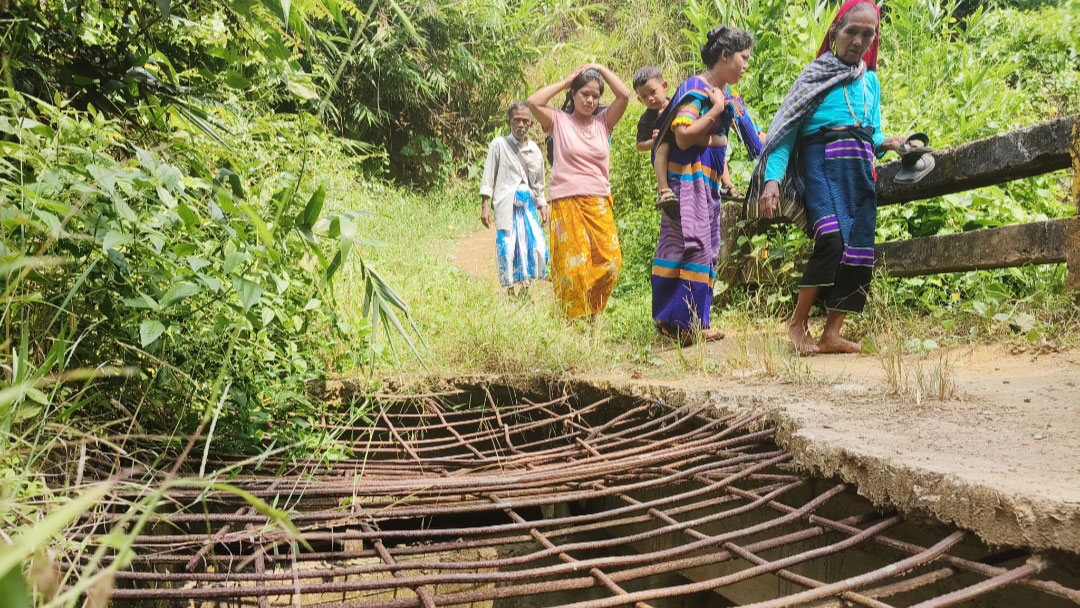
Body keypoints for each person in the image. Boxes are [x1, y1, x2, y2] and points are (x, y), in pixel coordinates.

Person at [747, 0, 902, 355]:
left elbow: (872, 133)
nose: (859, 41)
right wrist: (772, 180)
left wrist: (889, 142)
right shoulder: (814, 75)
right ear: (835, 32)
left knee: (859, 250)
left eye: (868, 34)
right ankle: (797, 325)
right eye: (852, 32)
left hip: (860, 170)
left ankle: (832, 332)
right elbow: (785, 134)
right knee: (831, 240)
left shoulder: (871, 81)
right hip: (823, 164)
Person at [650, 26, 764, 344]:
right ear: (725, 55)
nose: (745, 65)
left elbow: (755, 140)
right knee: (689, 248)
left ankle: (694, 323)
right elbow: (683, 134)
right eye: (743, 58)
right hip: (686, 180)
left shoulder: (730, 94)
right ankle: (677, 324)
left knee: (707, 250)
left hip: (708, 183)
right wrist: (715, 110)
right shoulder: (697, 88)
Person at [527, 65, 630, 321]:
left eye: (595, 96)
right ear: (573, 94)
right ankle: (572, 321)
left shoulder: (604, 122)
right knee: (572, 269)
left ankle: (592, 310)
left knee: (610, 262)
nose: (590, 100)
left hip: (598, 201)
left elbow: (625, 95)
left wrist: (600, 69)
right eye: (584, 93)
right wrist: (565, 81)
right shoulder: (558, 121)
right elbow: (532, 101)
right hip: (565, 200)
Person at [632, 66, 729, 213]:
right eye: (644, 97)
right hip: (665, 150)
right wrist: (653, 142)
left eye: (653, 92)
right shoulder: (647, 119)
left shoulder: (677, 102)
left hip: (685, 142)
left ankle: (727, 185)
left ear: (664, 86)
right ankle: (663, 190)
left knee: (717, 145)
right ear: (639, 100)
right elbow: (639, 145)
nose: (650, 99)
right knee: (662, 147)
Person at [479, 101, 549, 293]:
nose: (521, 125)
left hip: (527, 208)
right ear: (508, 122)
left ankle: (526, 288)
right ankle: (510, 290)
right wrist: (485, 204)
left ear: (531, 125)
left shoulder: (535, 151)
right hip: (506, 206)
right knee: (507, 248)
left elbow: (539, 183)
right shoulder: (499, 145)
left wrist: (542, 204)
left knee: (535, 247)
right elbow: (488, 175)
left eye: (525, 121)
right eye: (516, 120)